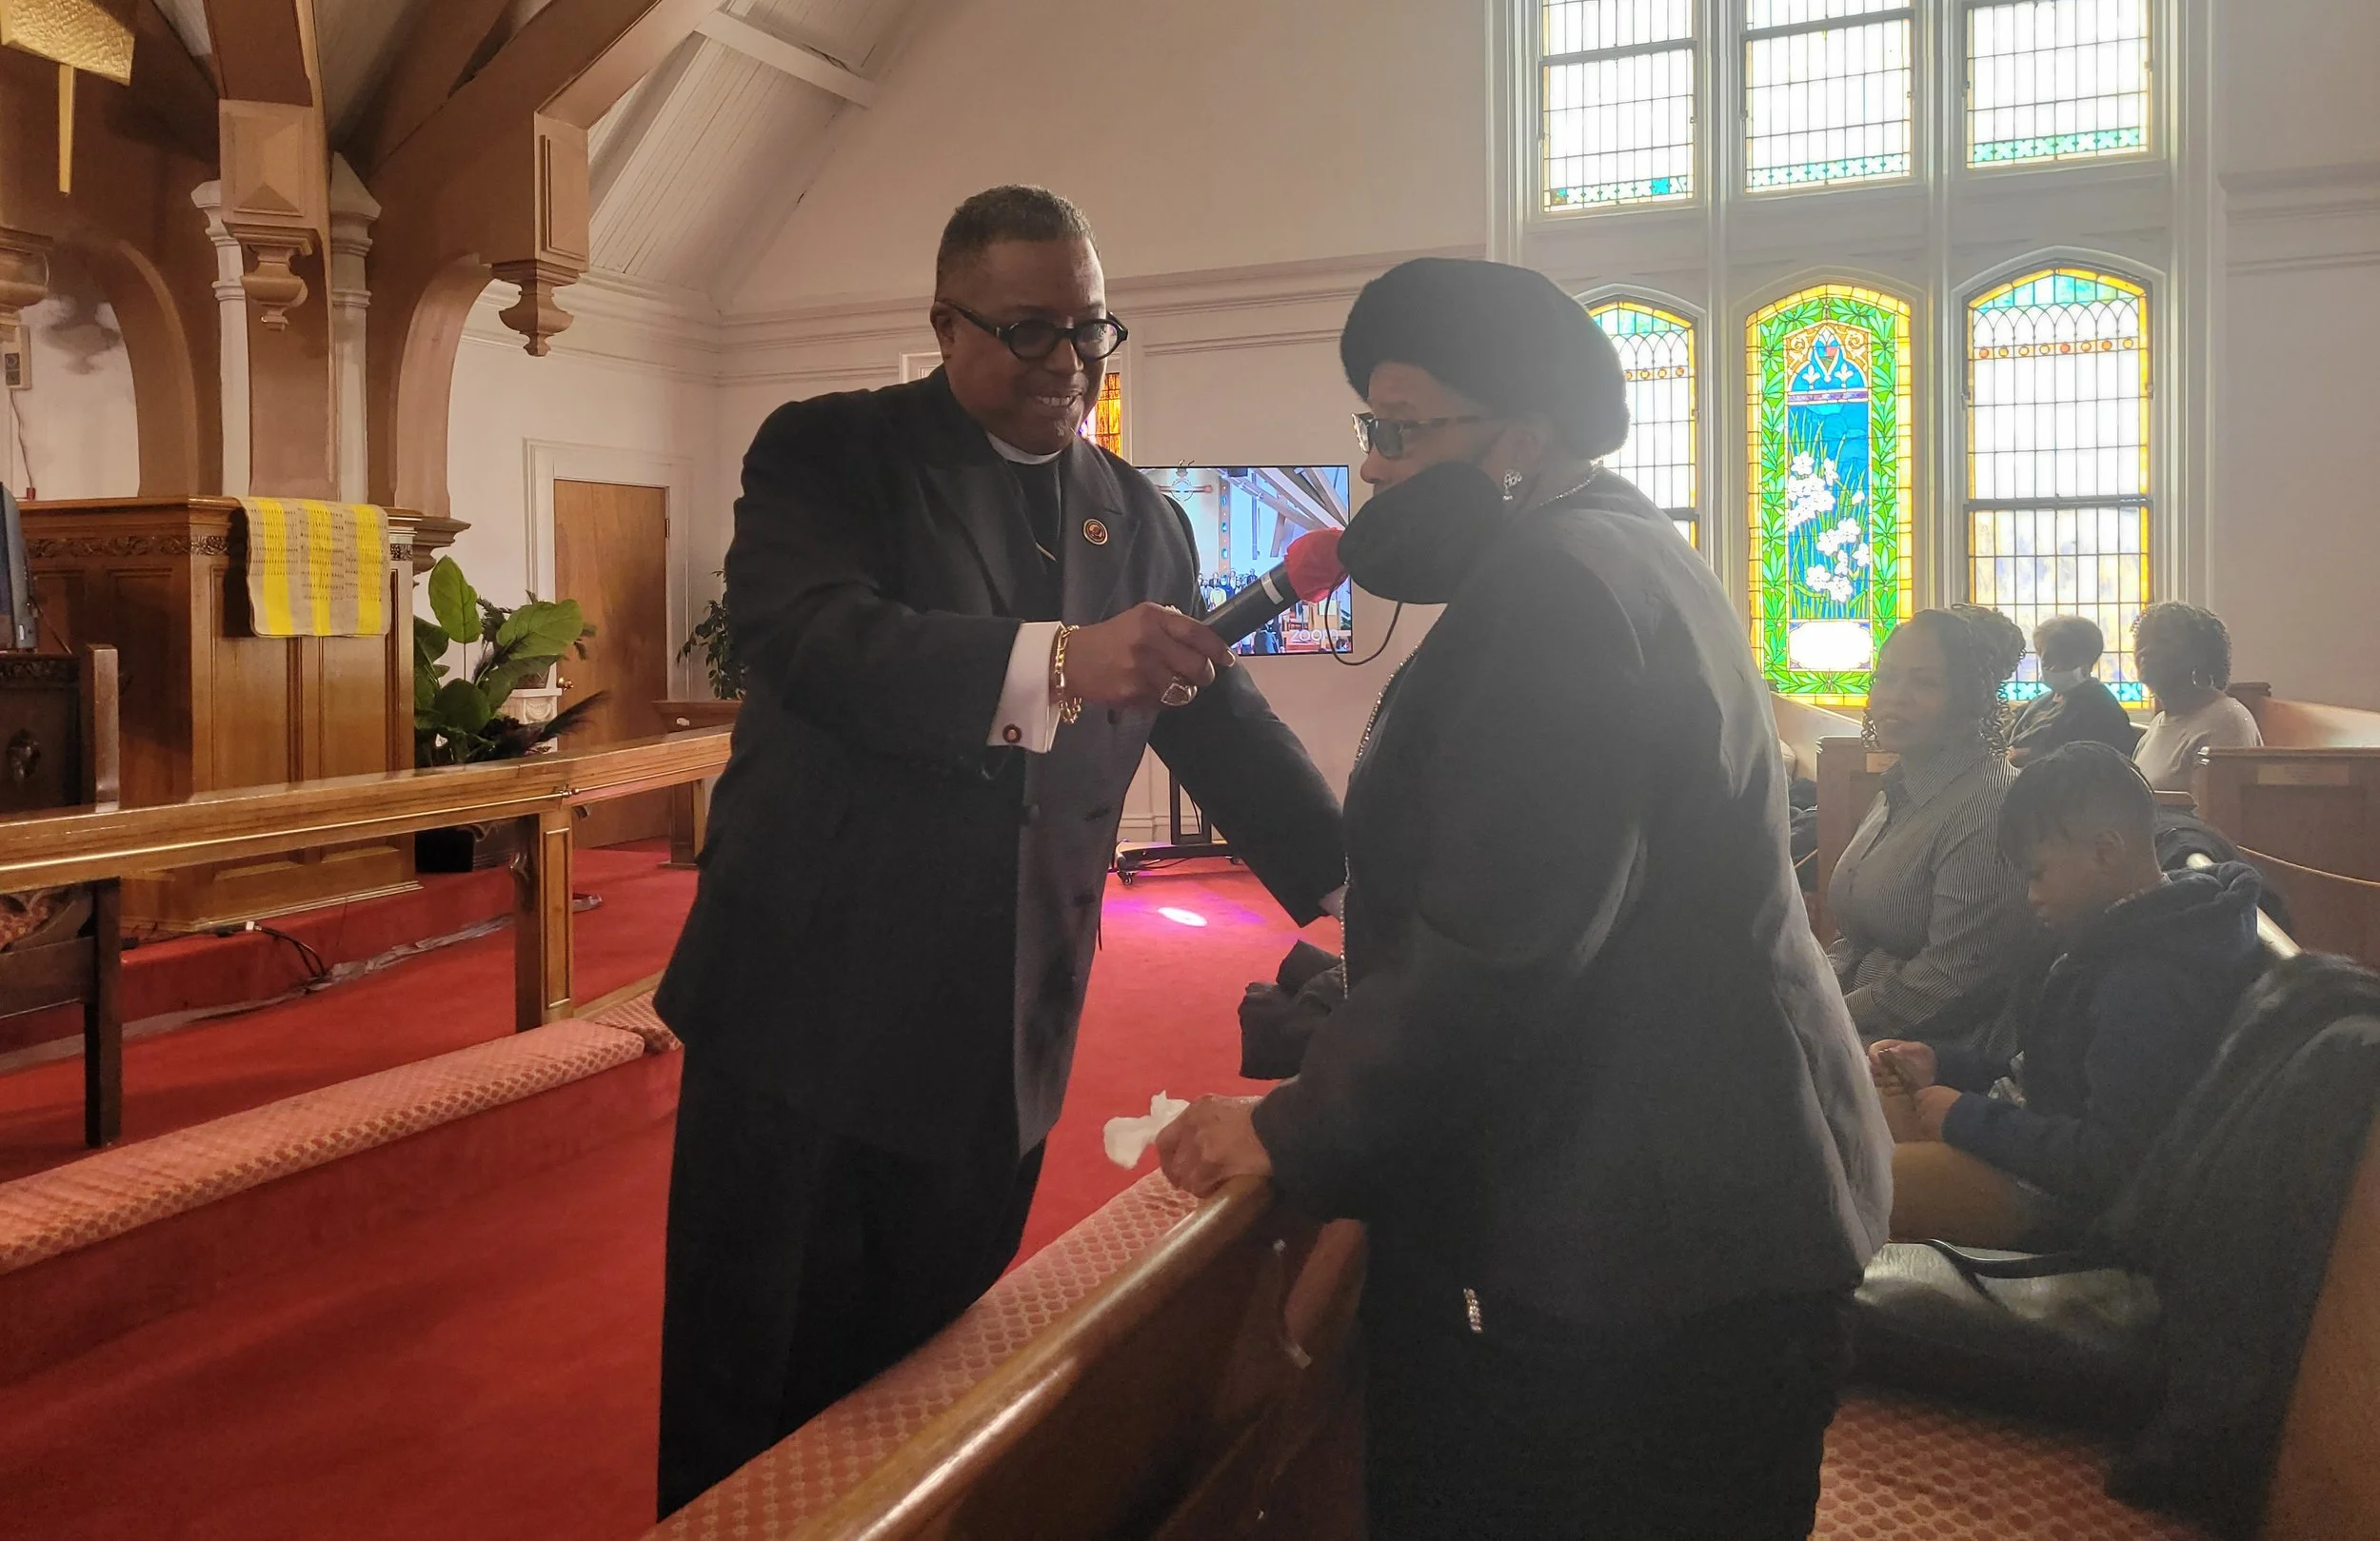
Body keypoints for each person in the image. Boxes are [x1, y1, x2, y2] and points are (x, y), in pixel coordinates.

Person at [1157, 257, 1890, 1540]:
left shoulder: (1557, 590)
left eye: (1399, 429)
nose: (1374, 470)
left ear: (1523, 439)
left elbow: (1498, 944)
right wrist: (1207, 701)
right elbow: (1447, 856)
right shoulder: (1606, 547)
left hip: (1651, 1248)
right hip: (1701, 1206)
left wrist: (1290, 1129)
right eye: (1367, 431)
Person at [652, 187, 1345, 1515]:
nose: (1069, 363)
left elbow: (1206, 704)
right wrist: (1059, 659)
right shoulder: (832, 452)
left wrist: (1349, 884)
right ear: (944, 322)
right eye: (1030, 330)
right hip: (812, 1000)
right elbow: (808, 634)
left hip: (1007, 1007)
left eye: (1091, 329)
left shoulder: (1136, 512)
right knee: (759, 1371)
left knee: (934, 1362)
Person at [1873, 743, 2268, 1247]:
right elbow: (2043, 1076)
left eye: (2037, 874)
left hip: (2061, 1200)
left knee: (1854, 1186)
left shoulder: (2150, 979)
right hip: (2023, 1145)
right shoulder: (2111, 936)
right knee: (1856, 1111)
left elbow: (2111, 1161)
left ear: (2105, 850)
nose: (2030, 895)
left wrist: (1966, 1117)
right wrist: (1941, 1065)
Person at [1828, 609, 2037, 1055]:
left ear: (1970, 698)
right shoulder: (1900, 784)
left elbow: (1952, 978)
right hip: (1853, 1018)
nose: (1895, 697)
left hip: (1928, 1049)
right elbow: (1853, 941)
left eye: (1924, 683)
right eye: (1886, 678)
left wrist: (1822, 1016)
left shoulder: (1988, 805)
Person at [2133, 601, 2262, 792]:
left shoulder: (2226, 722)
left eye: (2162, 641)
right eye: (2141, 643)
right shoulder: (2161, 721)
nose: (2145, 651)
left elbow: (2222, 812)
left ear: (2200, 656)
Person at [2009, 615, 2138, 766]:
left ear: (2088, 661)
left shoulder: (2101, 708)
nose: (2055, 667)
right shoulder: (2040, 702)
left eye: (2065, 658)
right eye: (2048, 659)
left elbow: (2086, 760)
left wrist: (2027, 756)